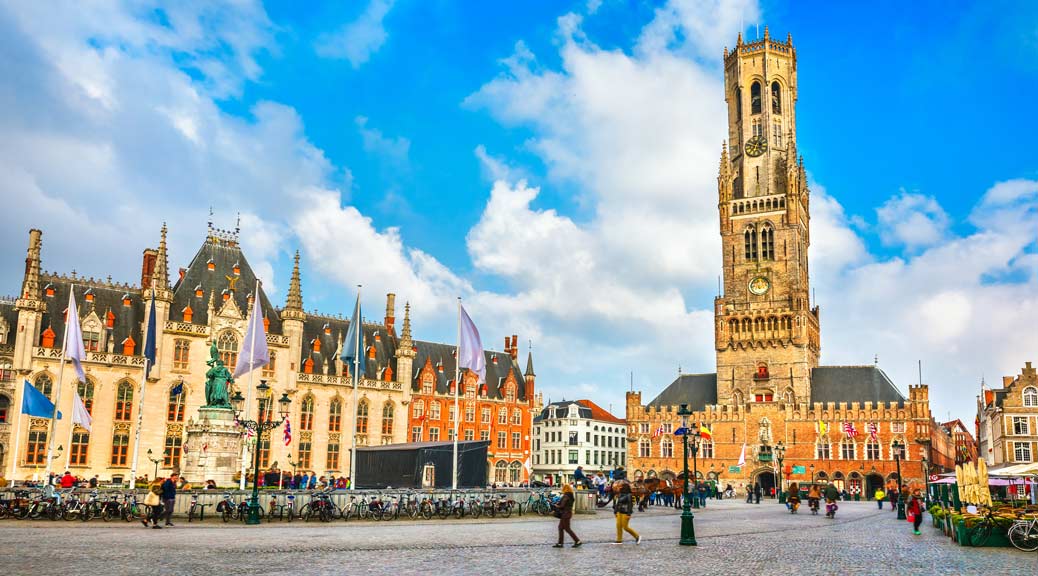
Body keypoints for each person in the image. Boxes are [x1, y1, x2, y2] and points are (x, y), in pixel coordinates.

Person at [553, 484, 581, 548]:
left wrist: (555, 505)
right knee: (560, 527)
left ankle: (577, 541)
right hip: (567, 513)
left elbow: (562, 506)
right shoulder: (571, 496)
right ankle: (560, 543)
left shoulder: (566, 496)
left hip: (565, 514)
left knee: (567, 529)